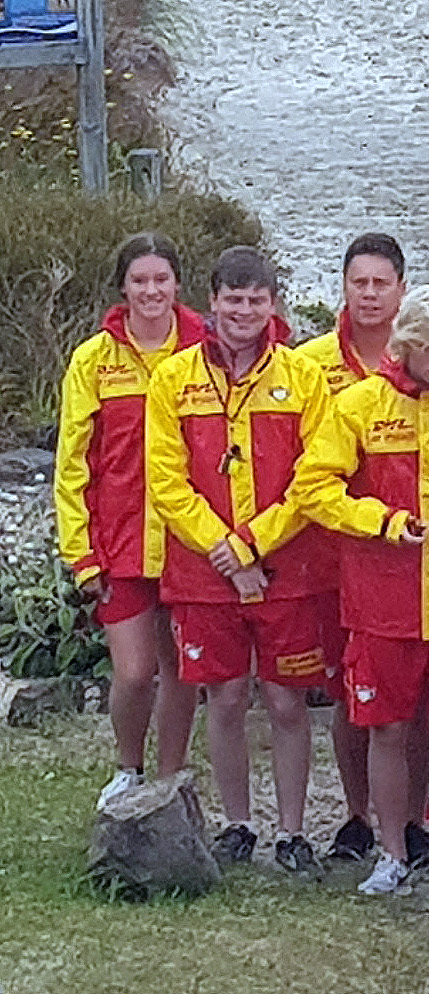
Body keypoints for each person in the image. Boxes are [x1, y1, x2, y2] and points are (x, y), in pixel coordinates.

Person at [292, 284, 429, 914]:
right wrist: (381, 521)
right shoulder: (360, 405)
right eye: (426, 348)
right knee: (387, 728)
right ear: (404, 345)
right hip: (381, 601)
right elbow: (313, 486)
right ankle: (391, 852)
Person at [144, 246, 331, 870]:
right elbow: (166, 483)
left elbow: (315, 478)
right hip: (205, 573)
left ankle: (294, 832)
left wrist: (253, 544)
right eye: (233, 299)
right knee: (224, 698)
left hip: (286, 567)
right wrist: (226, 551)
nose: (244, 311)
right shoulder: (173, 379)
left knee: (285, 702)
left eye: (256, 300)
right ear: (212, 301)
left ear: (273, 303)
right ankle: (238, 824)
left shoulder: (304, 378)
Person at [294, 233, 429, 870]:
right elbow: (302, 468)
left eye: (383, 284)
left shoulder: (428, 359)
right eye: (361, 283)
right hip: (332, 557)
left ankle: (412, 820)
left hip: (419, 563)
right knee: (352, 696)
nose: (371, 295)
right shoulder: (309, 364)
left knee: (424, 701)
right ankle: (360, 816)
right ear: (344, 287)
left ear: (402, 290)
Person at [55, 232, 203, 809]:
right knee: (137, 672)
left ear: (177, 286)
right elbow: (72, 463)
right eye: (139, 280)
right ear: (123, 287)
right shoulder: (94, 358)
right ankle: (129, 767)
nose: (150, 291)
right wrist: (80, 552)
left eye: (160, 280)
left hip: (189, 541)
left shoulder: (202, 347)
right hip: (118, 541)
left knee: (183, 671)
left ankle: (171, 781)